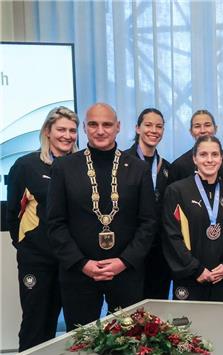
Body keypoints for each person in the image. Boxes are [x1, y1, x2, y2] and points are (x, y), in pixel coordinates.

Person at [47, 103, 157, 330]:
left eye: (107, 125)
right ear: (84, 128)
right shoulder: (64, 168)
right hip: (79, 273)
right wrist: (82, 263)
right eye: (93, 125)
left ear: (118, 127)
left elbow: (148, 222)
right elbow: (55, 223)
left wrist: (124, 261)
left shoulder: (138, 169)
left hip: (126, 272)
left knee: (129, 340)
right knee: (79, 341)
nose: (100, 131)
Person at [7, 107, 78, 351]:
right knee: (36, 324)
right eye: (61, 129)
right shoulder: (26, 166)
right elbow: (13, 214)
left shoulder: (80, 167)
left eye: (72, 131)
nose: (67, 136)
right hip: (37, 261)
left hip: (71, 261)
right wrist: (28, 247)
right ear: (48, 131)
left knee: (76, 327)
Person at [162, 135, 223, 301]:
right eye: (203, 154)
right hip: (190, 279)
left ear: (221, 159)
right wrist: (196, 269)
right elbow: (171, 237)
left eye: (215, 154)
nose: (209, 160)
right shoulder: (176, 191)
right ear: (194, 159)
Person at [124, 108, 172, 299]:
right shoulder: (121, 163)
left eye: (159, 126)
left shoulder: (167, 168)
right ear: (137, 128)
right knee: (128, 306)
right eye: (148, 125)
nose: (154, 130)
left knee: (157, 304)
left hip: (159, 250)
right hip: (129, 248)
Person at [170, 110, 219, 181]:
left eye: (207, 125)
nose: (202, 130)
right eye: (197, 126)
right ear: (191, 132)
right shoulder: (179, 166)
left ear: (215, 129)